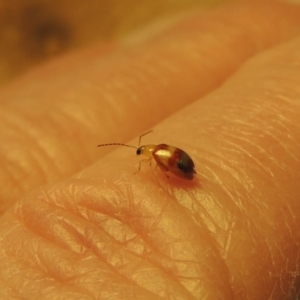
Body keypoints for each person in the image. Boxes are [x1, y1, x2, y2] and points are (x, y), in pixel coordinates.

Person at [0, 1, 300, 299]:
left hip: (184, 167)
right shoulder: (157, 150)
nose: (139, 158)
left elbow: (168, 167)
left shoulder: (155, 155)